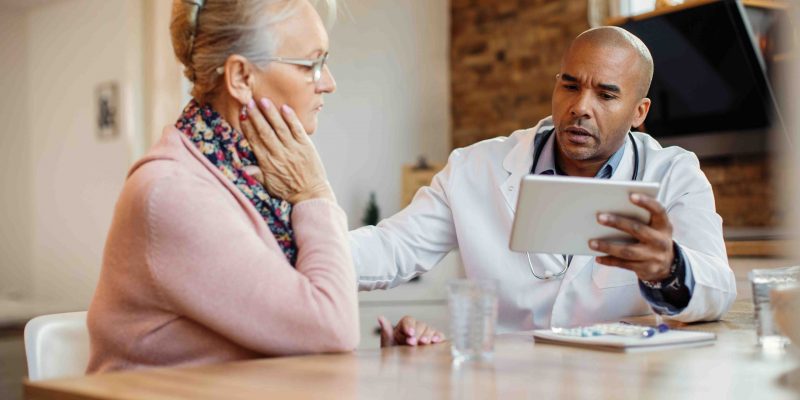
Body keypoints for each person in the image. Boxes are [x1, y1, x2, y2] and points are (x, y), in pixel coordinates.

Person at [349, 27, 737, 333]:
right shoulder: (475, 168)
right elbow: (391, 247)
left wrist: (670, 268)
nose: (580, 108)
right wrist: (299, 252)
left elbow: (718, 289)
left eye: (605, 95)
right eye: (570, 86)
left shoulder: (673, 174)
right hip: (508, 382)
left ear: (639, 111)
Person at [86, 0, 359, 373]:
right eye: (311, 64)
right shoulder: (171, 192)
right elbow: (331, 327)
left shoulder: (253, 172)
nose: (328, 83)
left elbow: (301, 328)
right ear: (241, 78)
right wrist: (315, 194)